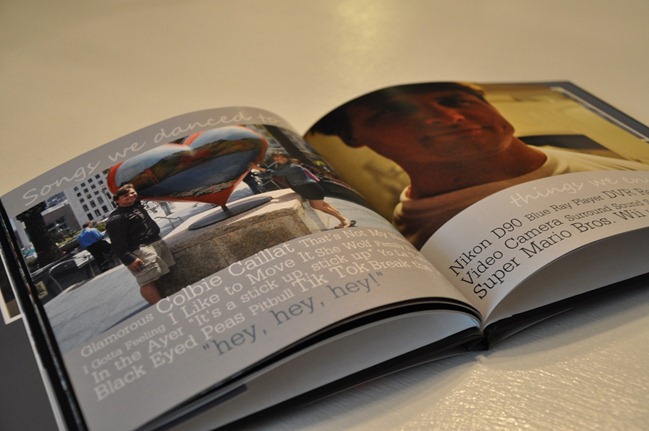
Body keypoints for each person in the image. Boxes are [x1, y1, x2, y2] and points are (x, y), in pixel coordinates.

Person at [310, 82, 649, 248]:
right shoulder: (422, 243)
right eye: (392, 112)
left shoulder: (606, 159)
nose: (449, 118)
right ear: (353, 137)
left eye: (455, 100)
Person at [106, 184, 175, 304]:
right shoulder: (116, 218)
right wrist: (129, 258)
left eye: (132, 193)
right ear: (117, 200)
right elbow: (117, 242)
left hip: (156, 242)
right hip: (140, 250)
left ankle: (165, 301)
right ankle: (159, 306)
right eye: (125, 195)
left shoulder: (136, 206)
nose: (130, 196)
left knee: (158, 276)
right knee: (147, 281)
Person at [250, 152, 356, 229]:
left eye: (282, 157)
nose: (279, 159)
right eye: (277, 157)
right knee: (324, 205)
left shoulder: (292, 167)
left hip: (310, 188)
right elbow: (269, 174)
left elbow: (275, 173)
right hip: (309, 188)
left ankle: (344, 220)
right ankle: (343, 220)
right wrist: (260, 168)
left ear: (287, 158)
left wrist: (257, 168)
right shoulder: (283, 166)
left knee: (317, 206)